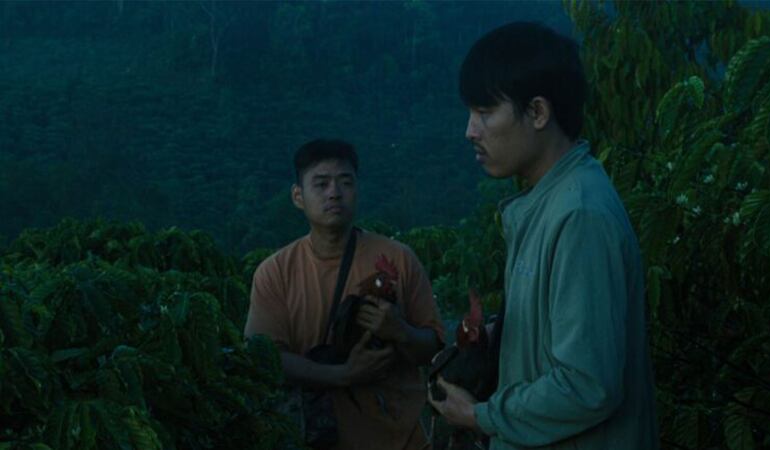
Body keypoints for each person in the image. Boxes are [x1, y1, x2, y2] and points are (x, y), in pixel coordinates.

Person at [428, 22, 659, 449]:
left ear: (537, 112)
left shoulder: (579, 215)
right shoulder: (545, 203)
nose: (470, 131)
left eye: (484, 112)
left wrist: (479, 416)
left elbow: (587, 385)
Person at [245, 139, 444, 450]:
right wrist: (343, 375)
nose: (334, 193)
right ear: (298, 196)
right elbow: (268, 359)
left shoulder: (399, 258)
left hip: (402, 438)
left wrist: (400, 331)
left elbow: (434, 347)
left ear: (357, 189)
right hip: (318, 436)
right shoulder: (275, 273)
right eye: (321, 184)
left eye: (345, 182)